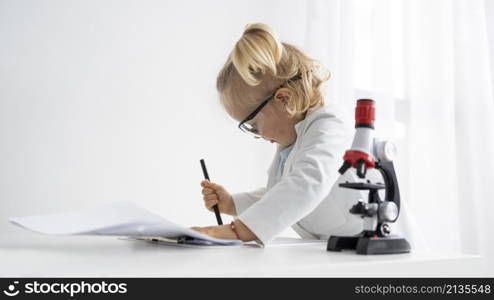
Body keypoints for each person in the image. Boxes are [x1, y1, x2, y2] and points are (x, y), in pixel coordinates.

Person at [192, 23, 363, 246]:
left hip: (384, 255)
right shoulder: (290, 143)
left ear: (284, 99)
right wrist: (234, 204)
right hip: (339, 250)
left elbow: (307, 183)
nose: (256, 134)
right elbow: (280, 192)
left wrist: (238, 231)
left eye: (253, 124)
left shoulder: (331, 124)